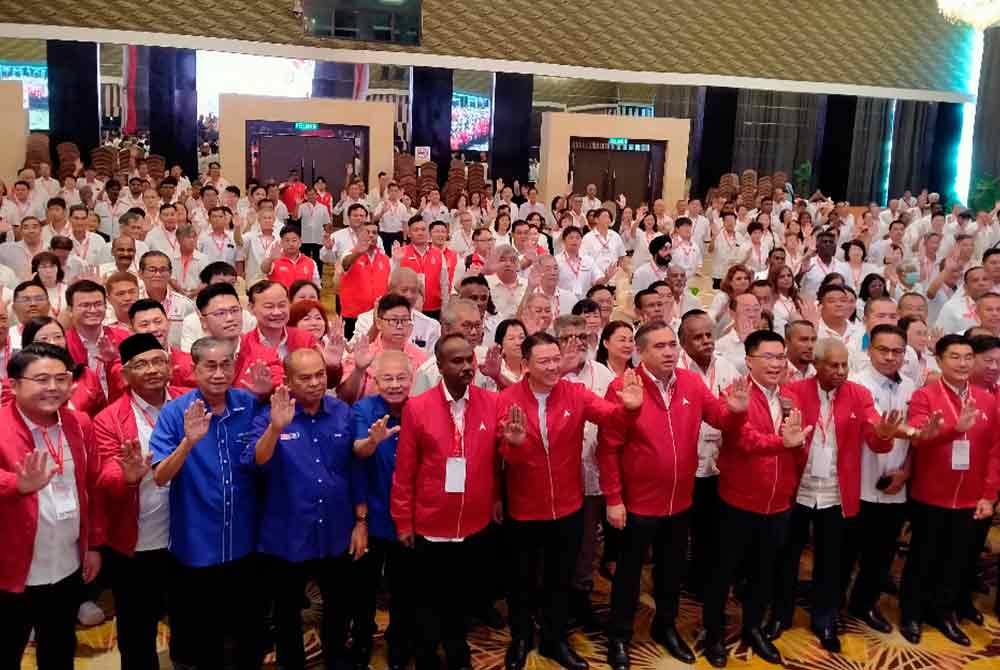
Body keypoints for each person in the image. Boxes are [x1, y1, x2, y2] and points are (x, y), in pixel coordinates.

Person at [599, 321, 748, 669]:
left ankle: (664, 627)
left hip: (681, 499)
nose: (669, 352)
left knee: (671, 572)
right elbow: (608, 448)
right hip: (636, 503)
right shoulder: (623, 387)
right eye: (659, 347)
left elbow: (720, 418)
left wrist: (737, 412)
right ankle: (619, 637)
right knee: (628, 575)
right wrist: (613, 498)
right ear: (641, 352)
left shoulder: (692, 383)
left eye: (671, 345)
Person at [497, 332, 644, 670]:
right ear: (526, 365)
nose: (552, 367)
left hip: (568, 506)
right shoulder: (506, 399)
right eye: (543, 361)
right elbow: (503, 459)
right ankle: (520, 638)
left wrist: (630, 408)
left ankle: (554, 639)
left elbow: (611, 418)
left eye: (555, 359)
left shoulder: (576, 394)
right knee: (521, 580)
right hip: (524, 507)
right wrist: (515, 445)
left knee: (559, 579)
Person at [770, 338, 906, 652]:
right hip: (798, 490)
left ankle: (825, 619)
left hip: (836, 492)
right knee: (786, 558)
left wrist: (884, 435)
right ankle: (780, 615)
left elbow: (875, 438)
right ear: (816, 365)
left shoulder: (859, 394)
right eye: (833, 365)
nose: (841, 371)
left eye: (845, 364)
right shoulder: (795, 391)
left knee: (831, 562)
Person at [149, 336, 272, 668]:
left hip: (245, 543)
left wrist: (265, 396)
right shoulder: (176, 413)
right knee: (201, 642)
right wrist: (188, 443)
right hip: (196, 545)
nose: (219, 373)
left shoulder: (249, 404)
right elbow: (160, 476)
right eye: (210, 366)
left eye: (226, 364)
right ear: (194, 369)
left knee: (247, 636)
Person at [249, 348, 368, 670]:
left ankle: (337, 661)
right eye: (305, 377)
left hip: (336, 529)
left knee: (339, 608)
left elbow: (355, 469)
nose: (315, 383)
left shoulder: (343, 412)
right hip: (286, 534)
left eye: (320, 375)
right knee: (287, 614)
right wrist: (275, 428)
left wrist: (361, 522)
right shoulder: (269, 415)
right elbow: (256, 463)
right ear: (287, 380)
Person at [392, 333, 503, 670]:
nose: (467, 366)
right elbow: (405, 471)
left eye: (469, 359)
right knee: (428, 599)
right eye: (457, 361)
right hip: (430, 522)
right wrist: (403, 522)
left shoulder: (491, 402)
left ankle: (458, 650)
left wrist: (497, 497)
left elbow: (499, 460)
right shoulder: (417, 407)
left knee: (461, 596)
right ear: (439, 366)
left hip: (473, 522)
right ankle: (427, 654)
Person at [701, 330, 809, 668]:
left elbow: (799, 448)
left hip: (779, 503)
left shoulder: (791, 397)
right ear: (749, 360)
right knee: (723, 572)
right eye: (769, 357)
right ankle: (714, 633)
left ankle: (753, 628)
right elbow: (744, 440)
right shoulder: (735, 395)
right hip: (738, 502)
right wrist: (784, 443)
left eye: (781, 357)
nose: (777, 364)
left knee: (765, 572)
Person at [0, 343, 103, 670]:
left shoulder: (79, 423)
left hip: (66, 561)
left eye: (61, 378)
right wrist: (16, 485)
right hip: (12, 567)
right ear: (14, 384)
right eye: (42, 379)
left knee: (58, 648)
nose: (53, 388)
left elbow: (92, 487)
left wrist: (93, 545)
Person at [900, 334, 1000, 646]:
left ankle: (943, 613)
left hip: (973, 498)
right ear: (940, 361)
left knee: (958, 560)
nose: (962, 363)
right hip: (930, 495)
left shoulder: (987, 399)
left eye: (968, 357)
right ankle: (911, 613)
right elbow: (917, 439)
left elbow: (996, 450)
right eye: (954, 357)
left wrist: (989, 494)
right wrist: (952, 431)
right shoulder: (924, 397)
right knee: (923, 557)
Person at [94, 333, 181, 669]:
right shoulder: (109, 419)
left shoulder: (190, 402)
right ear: (125, 374)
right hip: (138, 541)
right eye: (140, 365)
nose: (151, 370)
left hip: (189, 536)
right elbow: (103, 479)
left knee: (190, 624)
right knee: (137, 631)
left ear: (170, 366)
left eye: (157, 361)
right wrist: (127, 477)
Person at [351, 350, 416, 670]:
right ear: (375, 382)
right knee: (363, 588)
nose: (394, 384)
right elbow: (357, 452)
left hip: (412, 517)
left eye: (400, 378)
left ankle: (399, 641)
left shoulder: (421, 409)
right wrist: (373, 442)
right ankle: (362, 638)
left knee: (405, 587)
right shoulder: (364, 409)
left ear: (412, 379)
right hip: (373, 512)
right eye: (387, 379)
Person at [554, 314, 618, 627]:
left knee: (586, 541)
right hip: (554, 478)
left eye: (582, 335)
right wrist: (561, 369)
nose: (578, 342)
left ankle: (580, 595)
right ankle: (551, 600)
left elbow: (615, 421)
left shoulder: (603, 374)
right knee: (555, 543)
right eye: (568, 336)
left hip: (591, 472)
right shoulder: (547, 372)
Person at [676, 310, 743, 596]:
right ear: (683, 342)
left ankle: (703, 579)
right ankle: (675, 579)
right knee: (679, 531)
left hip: (718, 463)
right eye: (698, 337)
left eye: (709, 335)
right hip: (684, 463)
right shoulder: (675, 370)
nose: (706, 341)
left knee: (710, 528)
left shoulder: (727, 368)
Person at [349, 266, 437, 353]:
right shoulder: (365, 320)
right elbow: (354, 355)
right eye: (404, 290)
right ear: (390, 291)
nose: (409, 295)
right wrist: (375, 327)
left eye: (414, 291)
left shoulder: (431, 325)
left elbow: (433, 362)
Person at [396, 218, 449, 320]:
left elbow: (444, 284)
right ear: (409, 233)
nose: (420, 233)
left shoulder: (438, 254)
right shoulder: (401, 253)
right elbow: (393, 282)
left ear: (428, 233)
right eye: (416, 230)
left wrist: (445, 309)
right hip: (408, 308)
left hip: (434, 308)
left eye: (423, 229)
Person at [263, 224, 321, 289]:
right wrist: (270, 259)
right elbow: (264, 270)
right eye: (287, 240)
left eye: (294, 240)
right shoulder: (274, 260)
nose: (291, 244)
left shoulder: (311, 262)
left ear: (300, 242)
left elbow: (316, 287)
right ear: (281, 243)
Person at [798, 230, 852, 296]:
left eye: (831, 242)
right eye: (824, 242)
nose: (828, 244)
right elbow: (795, 285)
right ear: (817, 245)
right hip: (812, 304)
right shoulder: (807, 263)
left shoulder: (844, 267)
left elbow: (849, 291)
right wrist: (801, 272)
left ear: (835, 246)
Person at [556, 227, 601, 299]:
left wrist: (606, 278)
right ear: (564, 241)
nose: (574, 240)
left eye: (578, 238)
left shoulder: (588, 260)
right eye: (571, 238)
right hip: (563, 301)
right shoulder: (556, 260)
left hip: (584, 302)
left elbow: (598, 280)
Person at [580, 208, 626, 278]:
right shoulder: (588, 238)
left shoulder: (615, 236)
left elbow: (621, 255)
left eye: (609, 218)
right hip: (595, 277)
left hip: (614, 276)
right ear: (596, 220)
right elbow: (583, 258)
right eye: (604, 217)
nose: (607, 219)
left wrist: (618, 270)